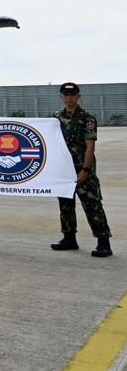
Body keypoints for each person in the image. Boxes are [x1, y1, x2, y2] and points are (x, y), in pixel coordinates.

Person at [51, 82, 113, 257]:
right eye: (66, 94)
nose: (69, 97)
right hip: (64, 171)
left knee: (92, 206)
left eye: (72, 94)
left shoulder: (87, 118)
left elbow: (90, 146)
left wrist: (85, 169)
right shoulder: (55, 118)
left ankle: (104, 243)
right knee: (65, 206)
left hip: (83, 170)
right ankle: (69, 238)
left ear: (79, 96)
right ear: (61, 97)